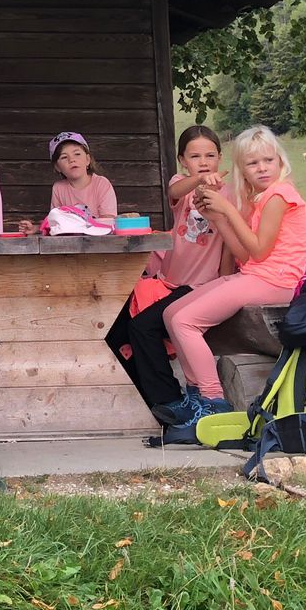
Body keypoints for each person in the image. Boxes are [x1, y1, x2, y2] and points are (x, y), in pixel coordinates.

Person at [161, 124, 306, 428]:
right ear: (242, 169)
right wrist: (218, 217)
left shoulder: (280, 195)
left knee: (184, 322)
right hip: (257, 276)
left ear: (280, 161)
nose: (262, 168)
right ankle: (195, 396)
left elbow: (257, 251)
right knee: (171, 312)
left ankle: (214, 402)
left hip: (275, 282)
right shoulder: (261, 199)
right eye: (253, 164)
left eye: (268, 161)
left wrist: (226, 210)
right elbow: (244, 255)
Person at [106, 126, 230, 420]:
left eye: (210, 155)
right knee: (115, 329)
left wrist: (225, 283)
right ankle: (149, 402)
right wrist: (199, 180)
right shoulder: (183, 187)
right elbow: (173, 190)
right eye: (195, 156)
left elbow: (229, 245)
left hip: (200, 287)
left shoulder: (228, 194)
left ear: (220, 158)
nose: (203, 161)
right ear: (182, 161)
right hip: (168, 284)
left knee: (143, 327)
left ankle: (172, 402)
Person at [48, 131, 119, 220]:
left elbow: (108, 219)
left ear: (87, 160)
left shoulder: (101, 184)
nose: (72, 160)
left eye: (77, 154)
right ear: (57, 167)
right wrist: (36, 227)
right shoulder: (58, 188)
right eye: (64, 157)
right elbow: (54, 220)